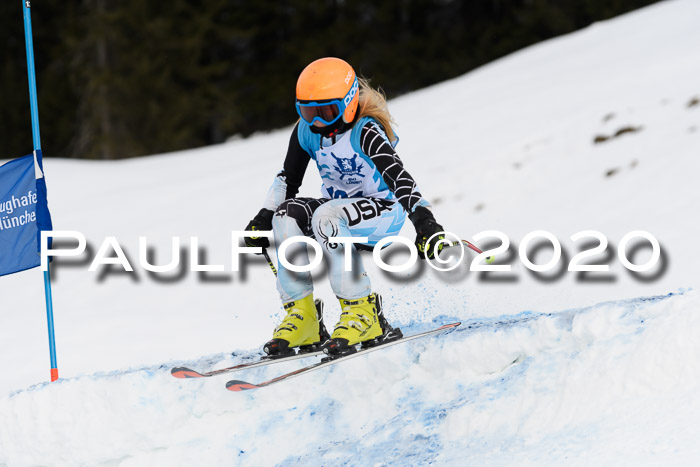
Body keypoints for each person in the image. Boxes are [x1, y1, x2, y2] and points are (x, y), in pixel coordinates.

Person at [244, 57, 445, 357]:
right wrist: (263, 216)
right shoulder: (306, 131)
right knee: (286, 215)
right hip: (339, 211)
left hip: (383, 212)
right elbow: (288, 179)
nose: (318, 122)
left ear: (349, 102)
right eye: (308, 111)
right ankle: (304, 317)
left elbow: (399, 178)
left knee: (326, 215)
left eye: (327, 111)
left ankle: (363, 312)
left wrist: (425, 223)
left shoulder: (365, 131)